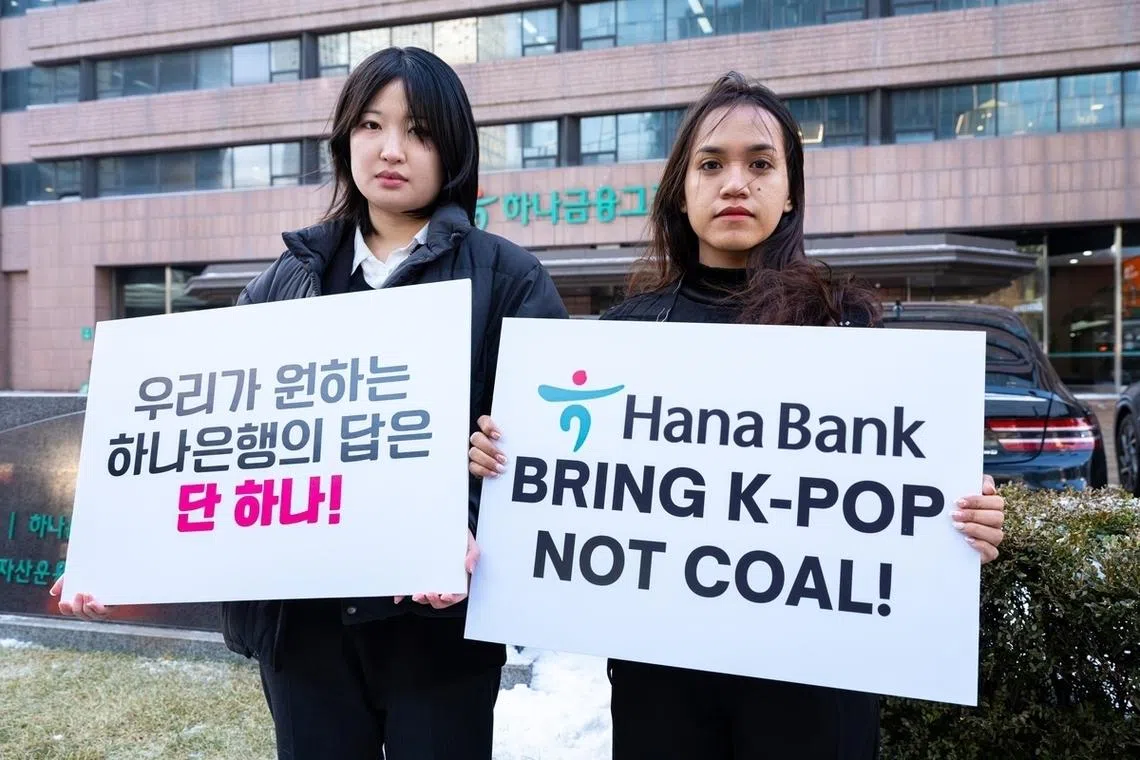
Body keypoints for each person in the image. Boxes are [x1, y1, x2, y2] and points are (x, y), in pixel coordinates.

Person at [466, 71, 1006, 760]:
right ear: (681, 191)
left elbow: (898, 504)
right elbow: (576, 498)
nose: (735, 183)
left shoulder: (852, 333)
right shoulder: (621, 338)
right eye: (711, 163)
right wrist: (504, 463)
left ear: (789, 196)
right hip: (664, 689)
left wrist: (968, 518)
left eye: (760, 164)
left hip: (816, 693)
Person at [51, 46, 568, 760]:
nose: (392, 149)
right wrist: (114, 548)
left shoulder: (510, 279)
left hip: (437, 633)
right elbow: (210, 440)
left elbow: (544, 456)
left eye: (419, 131)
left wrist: (472, 513)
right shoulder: (283, 284)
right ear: (343, 139)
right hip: (305, 630)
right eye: (371, 125)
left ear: (454, 148)